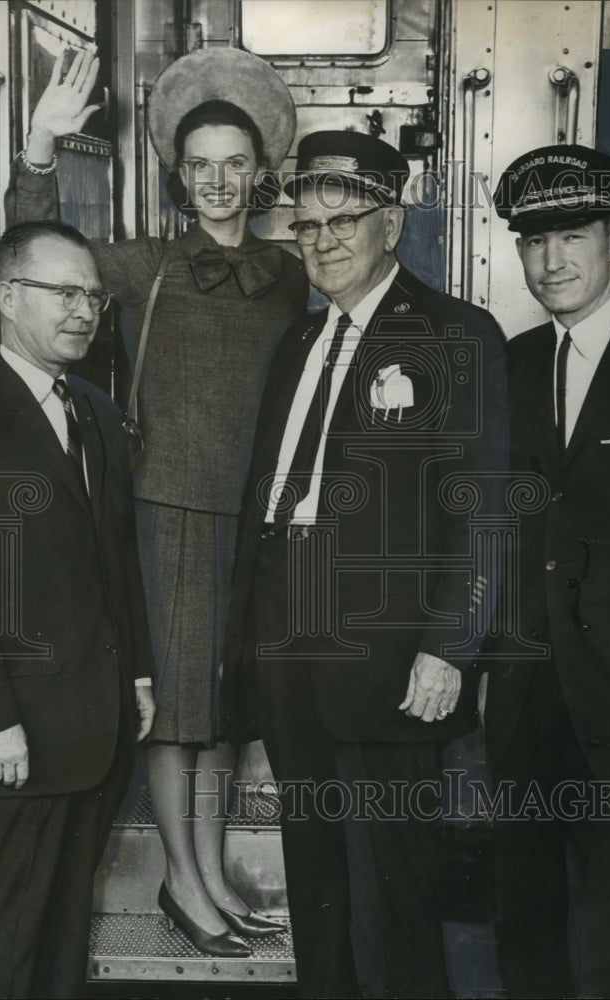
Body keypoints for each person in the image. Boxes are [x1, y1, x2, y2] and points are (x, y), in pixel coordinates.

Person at [5, 48, 308, 956]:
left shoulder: (289, 270)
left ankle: (211, 873)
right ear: (180, 176)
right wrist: (37, 154)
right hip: (168, 516)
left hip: (255, 521)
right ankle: (181, 881)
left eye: (235, 164)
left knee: (222, 709)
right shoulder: (143, 265)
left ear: (260, 175)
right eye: (201, 165)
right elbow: (35, 255)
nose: (218, 181)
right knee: (176, 715)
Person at [221, 130, 509, 998]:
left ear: (393, 223)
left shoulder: (455, 333)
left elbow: (484, 503)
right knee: (317, 892)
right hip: (290, 660)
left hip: (389, 667)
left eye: (343, 220)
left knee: (392, 902)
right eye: (305, 227)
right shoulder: (295, 346)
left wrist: (448, 647)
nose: (322, 242)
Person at [0, 221, 156, 999]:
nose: (84, 311)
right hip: (11, 742)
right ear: (7, 296)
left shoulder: (93, 411)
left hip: (94, 730)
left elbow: (116, 560)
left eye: (93, 295)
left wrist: (141, 677)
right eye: (64, 292)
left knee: (58, 956)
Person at [487, 144, 610, 998]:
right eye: (532, 241)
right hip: (524, 694)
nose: (550, 260)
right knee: (523, 921)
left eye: (573, 235)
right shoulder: (510, 367)